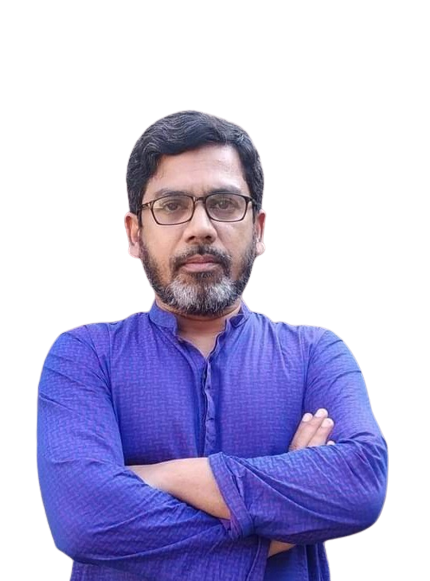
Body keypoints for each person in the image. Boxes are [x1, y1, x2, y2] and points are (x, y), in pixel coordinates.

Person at [36, 109, 388, 581]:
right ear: (134, 234)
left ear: (259, 229)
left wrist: (160, 476)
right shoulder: (84, 357)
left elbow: (361, 485)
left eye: (223, 203)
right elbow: (84, 519)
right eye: (171, 206)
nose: (200, 227)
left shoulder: (315, 355)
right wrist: (284, 514)